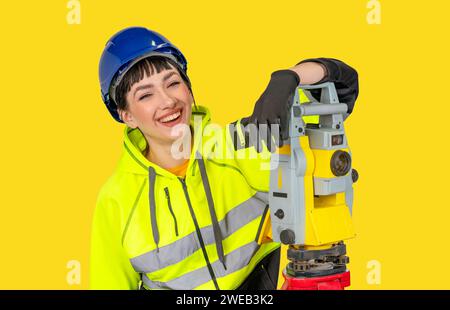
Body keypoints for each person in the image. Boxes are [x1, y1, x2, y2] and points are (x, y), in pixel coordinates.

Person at [90, 26, 359, 290]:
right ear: (127, 115)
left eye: (173, 83)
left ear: (188, 87)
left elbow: (345, 87)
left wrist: (289, 77)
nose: (167, 101)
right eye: (146, 95)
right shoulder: (116, 200)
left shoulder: (244, 143)